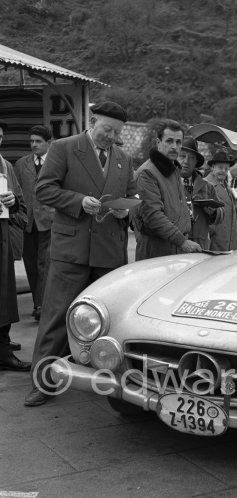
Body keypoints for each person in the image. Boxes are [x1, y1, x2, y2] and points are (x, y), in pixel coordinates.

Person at [25, 101, 138, 406]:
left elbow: (131, 195)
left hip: (108, 252)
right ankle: (43, 381)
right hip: (71, 250)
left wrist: (123, 211)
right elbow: (44, 190)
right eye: (106, 129)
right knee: (56, 317)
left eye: (116, 132)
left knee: (112, 320)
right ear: (91, 121)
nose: (110, 136)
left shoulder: (123, 159)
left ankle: (113, 383)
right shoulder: (64, 148)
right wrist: (78, 201)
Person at [134, 120, 202, 260]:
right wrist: (182, 242)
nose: (174, 146)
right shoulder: (147, 173)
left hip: (175, 249)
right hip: (157, 251)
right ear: (159, 142)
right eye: (169, 141)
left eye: (178, 142)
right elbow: (153, 216)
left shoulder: (174, 170)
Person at [14, 125, 54, 321]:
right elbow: (16, 190)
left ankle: (41, 305)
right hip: (28, 223)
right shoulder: (21, 164)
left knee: (45, 264)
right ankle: (38, 302)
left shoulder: (56, 163)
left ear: (49, 143)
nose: (34, 145)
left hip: (50, 222)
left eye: (38, 141)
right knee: (31, 264)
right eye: (32, 141)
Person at [0, 121, 31, 372]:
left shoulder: (6, 167)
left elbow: (22, 208)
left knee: (4, 296)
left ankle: (3, 348)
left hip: (2, 243)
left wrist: (12, 204)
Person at [179, 136, 223, 250]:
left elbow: (221, 214)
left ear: (196, 162)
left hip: (200, 247)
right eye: (182, 156)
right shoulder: (168, 184)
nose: (186, 161)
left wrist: (213, 212)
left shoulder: (207, 186)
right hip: (176, 247)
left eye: (191, 158)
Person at [205, 150, 237, 251]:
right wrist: (212, 233)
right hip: (215, 243)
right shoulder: (206, 184)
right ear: (212, 168)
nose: (223, 171)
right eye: (220, 167)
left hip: (228, 243)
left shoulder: (227, 186)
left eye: (226, 168)